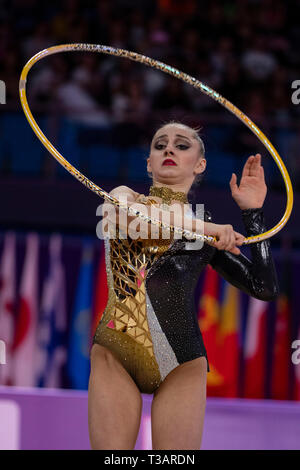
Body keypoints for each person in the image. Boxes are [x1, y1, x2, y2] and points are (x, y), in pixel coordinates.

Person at [88, 121, 279, 450]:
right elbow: (148, 222)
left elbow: (263, 288)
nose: (169, 149)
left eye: (181, 145)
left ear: (200, 164)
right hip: (116, 353)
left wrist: (253, 214)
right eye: (160, 144)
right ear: (149, 163)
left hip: (182, 363)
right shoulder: (122, 198)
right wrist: (210, 229)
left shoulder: (205, 233)